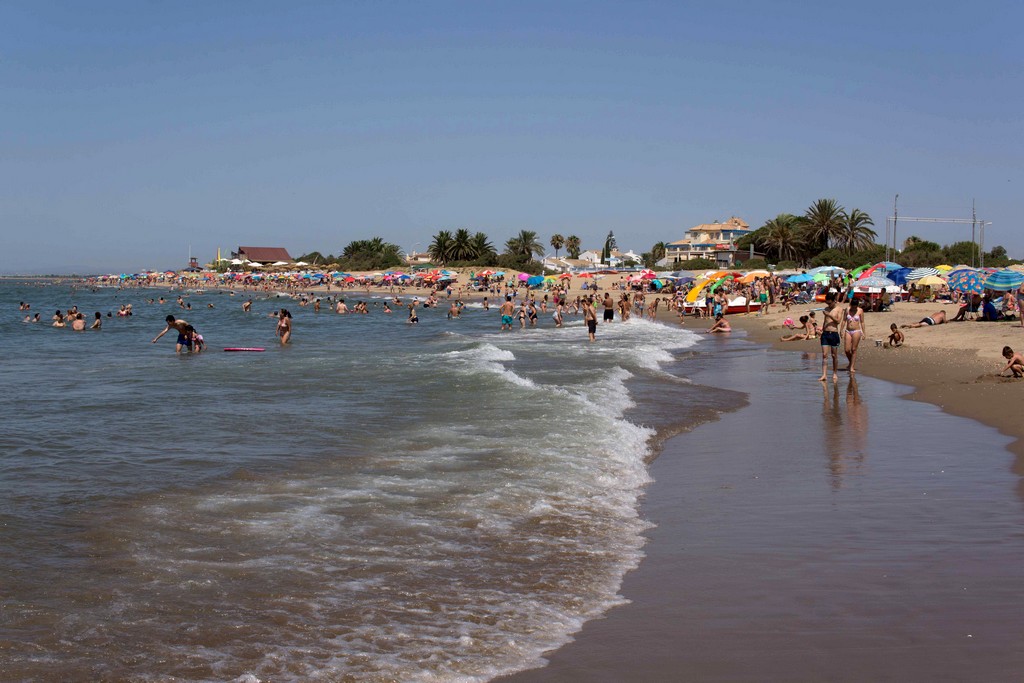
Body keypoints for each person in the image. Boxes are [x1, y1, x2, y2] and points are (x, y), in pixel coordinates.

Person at [819, 293, 842, 382]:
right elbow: (825, 321)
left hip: (834, 333)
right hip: (825, 333)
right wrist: (822, 330)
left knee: (834, 355)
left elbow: (838, 321)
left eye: (829, 303)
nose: (828, 305)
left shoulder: (839, 309)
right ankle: (824, 374)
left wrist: (829, 315)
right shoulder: (826, 309)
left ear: (834, 301)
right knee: (824, 355)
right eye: (827, 303)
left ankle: (835, 373)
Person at [841, 299, 866, 374]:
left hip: (856, 331)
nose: (854, 308)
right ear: (851, 305)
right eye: (853, 307)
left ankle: (852, 366)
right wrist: (841, 330)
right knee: (847, 350)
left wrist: (864, 333)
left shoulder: (860, 310)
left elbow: (862, 322)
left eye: (855, 307)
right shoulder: (847, 310)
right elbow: (844, 320)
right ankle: (851, 362)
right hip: (848, 330)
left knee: (854, 349)